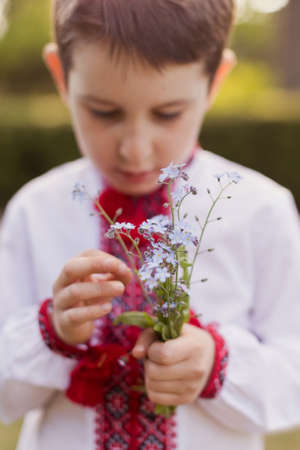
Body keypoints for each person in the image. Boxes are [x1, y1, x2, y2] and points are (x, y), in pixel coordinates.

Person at [1, 0, 300, 449]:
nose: (135, 150)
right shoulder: (36, 211)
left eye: (167, 114)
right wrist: (53, 333)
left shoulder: (261, 211)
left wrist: (217, 363)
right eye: (104, 112)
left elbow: (292, 380)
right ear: (61, 76)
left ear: (215, 80)